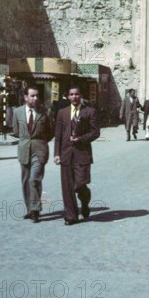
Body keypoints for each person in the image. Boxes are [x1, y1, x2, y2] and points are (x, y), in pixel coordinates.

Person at [54, 85, 100, 225]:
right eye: (71, 94)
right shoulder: (62, 112)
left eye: (77, 94)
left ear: (81, 96)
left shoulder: (89, 111)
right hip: (66, 154)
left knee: (79, 185)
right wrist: (57, 154)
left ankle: (84, 202)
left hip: (82, 154)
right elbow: (58, 135)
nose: (74, 96)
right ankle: (71, 216)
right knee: (67, 187)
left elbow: (95, 132)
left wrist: (80, 139)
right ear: (68, 96)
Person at [13, 85, 53, 222]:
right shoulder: (17, 112)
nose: (36, 98)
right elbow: (16, 131)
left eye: (37, 95)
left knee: (34, 179)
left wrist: (40, 142)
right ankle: (29, 209)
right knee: (25, 181)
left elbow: (50, 132)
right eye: (32, 96)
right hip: (24, 150)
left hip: (40, 150)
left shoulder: (46, 112)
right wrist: (26, 141)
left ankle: (35, 209)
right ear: (25, 97)